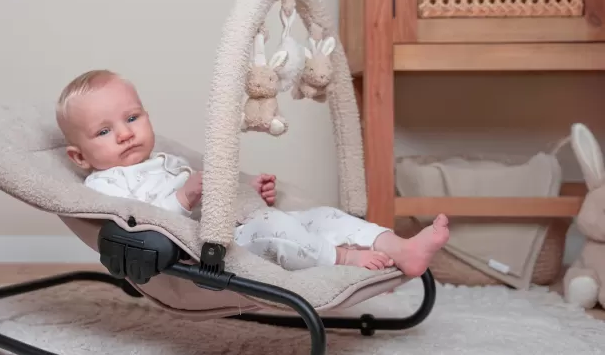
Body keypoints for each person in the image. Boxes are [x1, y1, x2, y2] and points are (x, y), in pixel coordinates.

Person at [56, 70, 449, 274]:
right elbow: (137, 226)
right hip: (207, 251)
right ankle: (342, 258)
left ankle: (398, 247)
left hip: (235, 225)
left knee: (319, 216)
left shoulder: (166, 161)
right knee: (274, 229)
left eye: (132, 118)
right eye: (104, 131)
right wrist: (183, 197)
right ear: (80, 157)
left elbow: (214, 202)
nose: (125, 134)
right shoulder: (105, 183)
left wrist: (248, 194)